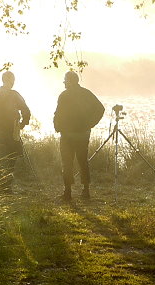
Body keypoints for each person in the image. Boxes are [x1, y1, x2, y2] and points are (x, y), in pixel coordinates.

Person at [53, 70, 105, 201]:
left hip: (67, 134)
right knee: (83, 162)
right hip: (82, 134)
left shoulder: (63, 95)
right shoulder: (86, 93)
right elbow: (100, 109)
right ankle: (86, 190)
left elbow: (58, 113)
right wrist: (90, 124)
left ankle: (68, 192)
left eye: (65, 80)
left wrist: (57, 126)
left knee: (67, 163)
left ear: (70, 81)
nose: (64, 83)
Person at [0, 70, 31, 193]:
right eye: (13, 80)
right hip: (13, 131)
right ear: (11, 81)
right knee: (12, 158)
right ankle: (6, 186)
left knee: (2, 159)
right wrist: (22, 124)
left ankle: (3, 185)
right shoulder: (15, 95)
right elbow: (26, 110)